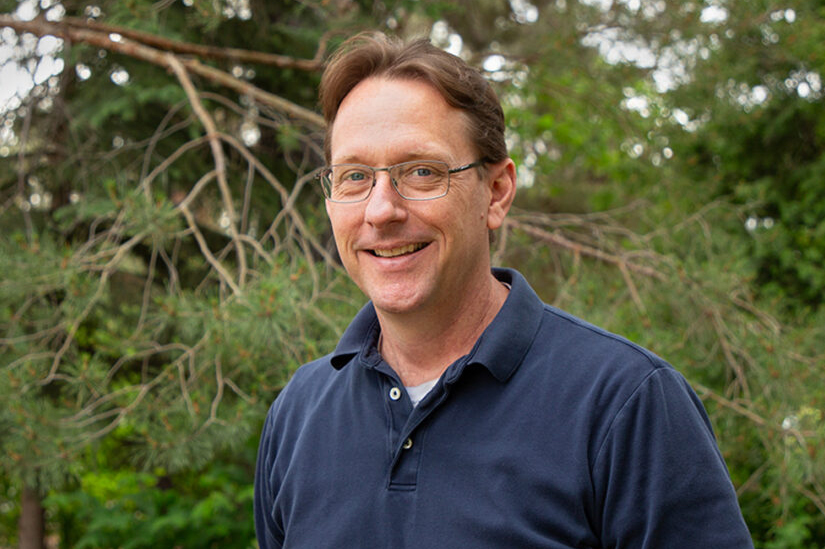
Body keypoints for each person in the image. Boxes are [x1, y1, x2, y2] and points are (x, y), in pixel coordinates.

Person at [254, 31, 754, 549]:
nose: (382, 210)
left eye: (422, 172)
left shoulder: (626, 404)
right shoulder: (298, 413)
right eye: (355, 176)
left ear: (496, 193)